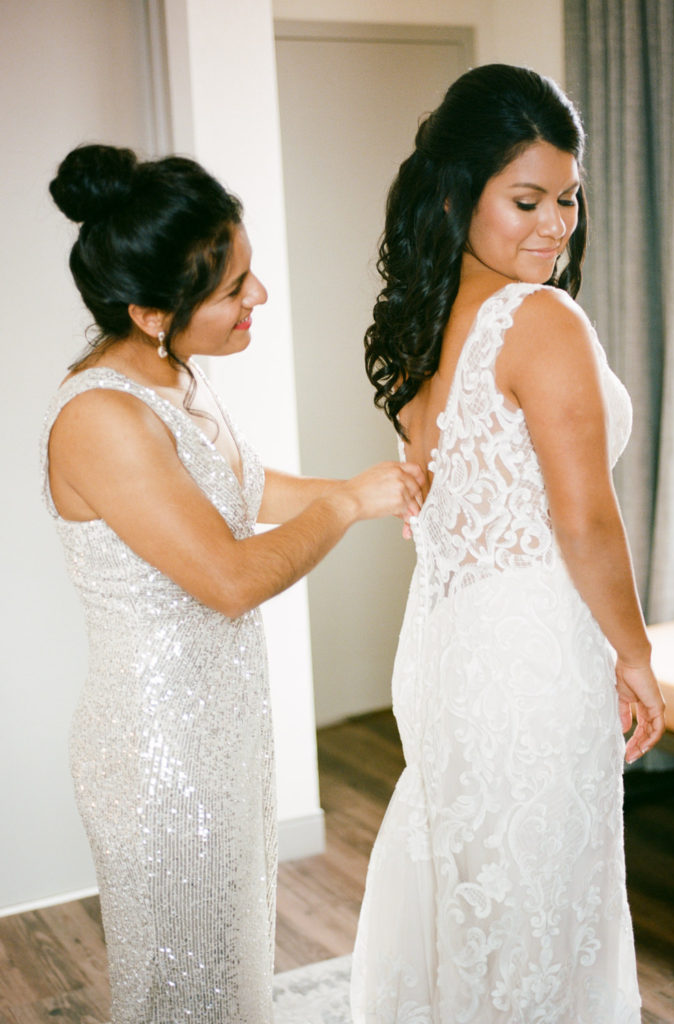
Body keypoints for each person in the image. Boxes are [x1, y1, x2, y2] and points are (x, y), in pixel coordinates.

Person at [42, 144, 424, 1024]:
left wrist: (368, 491)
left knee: (231, 970)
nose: (257, 297)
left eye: (248, 273)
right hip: (160, 755)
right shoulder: (101, 418)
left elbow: (243, 488)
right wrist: (346, 507)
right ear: (147, 311)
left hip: (222, 730)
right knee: (183, 986)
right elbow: (228, 578)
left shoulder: (176, 378)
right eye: (232, 289)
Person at [350, 64, 665, 1023]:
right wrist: (637, 655)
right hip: (530, 654)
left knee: (474, 893)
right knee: (538, 909)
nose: (555, 225)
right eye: (526, 199)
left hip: (446, 647)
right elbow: (582, 519)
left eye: (567, 199)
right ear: (458, 192)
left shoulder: (421, 323)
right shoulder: (540, 320)